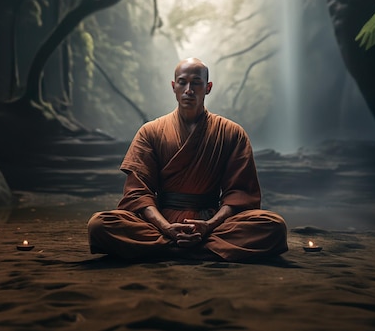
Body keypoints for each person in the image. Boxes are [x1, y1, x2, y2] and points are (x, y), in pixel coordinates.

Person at [87, 58, 288, 261]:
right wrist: (166, 227)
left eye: (196, 83)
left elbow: (240, 194)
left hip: (211, 221)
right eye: (182, 82)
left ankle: (167, 250)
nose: (189, 90)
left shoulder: (231, 133)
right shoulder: (151, 132)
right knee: (100, 224)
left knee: (274, 226)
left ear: (208, 87)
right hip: (160, 221)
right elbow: (138, 193)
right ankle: (203, 250)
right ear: (173, 87)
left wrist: (208, 225)